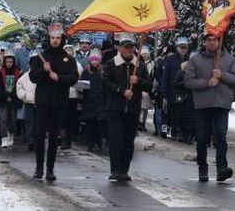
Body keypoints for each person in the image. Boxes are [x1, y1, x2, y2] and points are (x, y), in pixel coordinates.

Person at [183, 32, 235, 182]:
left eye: (214, 40)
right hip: (203, 104)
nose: (211, 43)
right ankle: (202, 168)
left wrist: (222, 76)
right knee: (202, 138)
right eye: (208, 40)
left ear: (219, 41)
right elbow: (188, 81)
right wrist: (207, 83)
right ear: (204, 42)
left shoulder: (228, 59)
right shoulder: (195, 59)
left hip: (222, 104)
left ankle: (222, 168)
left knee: (221, 136)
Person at [28, 24, 79, 182]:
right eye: (53, 38)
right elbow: (33, 77)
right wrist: (44, 69)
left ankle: (50, 169)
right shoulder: (41, 57)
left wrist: (60, 78)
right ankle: (38, 168)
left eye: (58, 38)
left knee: (53, 138)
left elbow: (73, 78)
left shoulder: (68, 59)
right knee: (39, 135)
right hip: (42, 103)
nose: (55, 41)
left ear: (62, 39)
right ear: (49, 39)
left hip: (59, 103)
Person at [102, 38, 151, 181]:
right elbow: (105, 82)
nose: (130, 50)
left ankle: (124, 170)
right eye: (127, 47)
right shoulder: (112, 64)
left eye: (132, 47)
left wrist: (138, 81)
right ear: (120, 49)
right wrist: (121, 91)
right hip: (115, 108)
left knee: (129, 140)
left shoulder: (140, 66)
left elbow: (148, 85)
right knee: (116, 139)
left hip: (133, 109)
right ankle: (115, 169)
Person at [161, 37, 192, 142]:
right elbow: (165, 77)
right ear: (177, 47)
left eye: (185, 47)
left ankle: (183, 133)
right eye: (181, 47)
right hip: (173, 91)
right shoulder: (171, 59)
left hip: (186, 92)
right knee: (173, 114)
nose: (183, 49)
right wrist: (164, 94)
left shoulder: (190, 60)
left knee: (185, 114)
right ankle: (172, 133)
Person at [78, 52, 106, 152]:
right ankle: (90, 144)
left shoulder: (103, 72)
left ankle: (98, 142)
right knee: (89, 124)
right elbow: (81, 86)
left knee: (99, 124)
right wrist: (81, 89)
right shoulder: (86, 72)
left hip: (99, 102)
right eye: (93, 60)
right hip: (88, 102)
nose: (94, 62)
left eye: (96, 60)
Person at [16, 51, 39, 150]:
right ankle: (30, 141)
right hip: (29, 102)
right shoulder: (25, 76)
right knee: (29, 122)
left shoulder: (43, 75)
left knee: (39, 123)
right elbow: (19, 85)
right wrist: (23, 96)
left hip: (40, 102)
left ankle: (38, 140)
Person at [0, 50, 21, 148]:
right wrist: (5, 96)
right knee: (3, 119)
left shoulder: (17, 72)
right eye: (7, 62)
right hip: (3, 100)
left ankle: (11, 134)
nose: (9, 64)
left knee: (13, 120)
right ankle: (3, 138)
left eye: (11, 62)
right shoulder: (0, 72)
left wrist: (11, 96)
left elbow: (18, 86)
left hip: (13, 99)